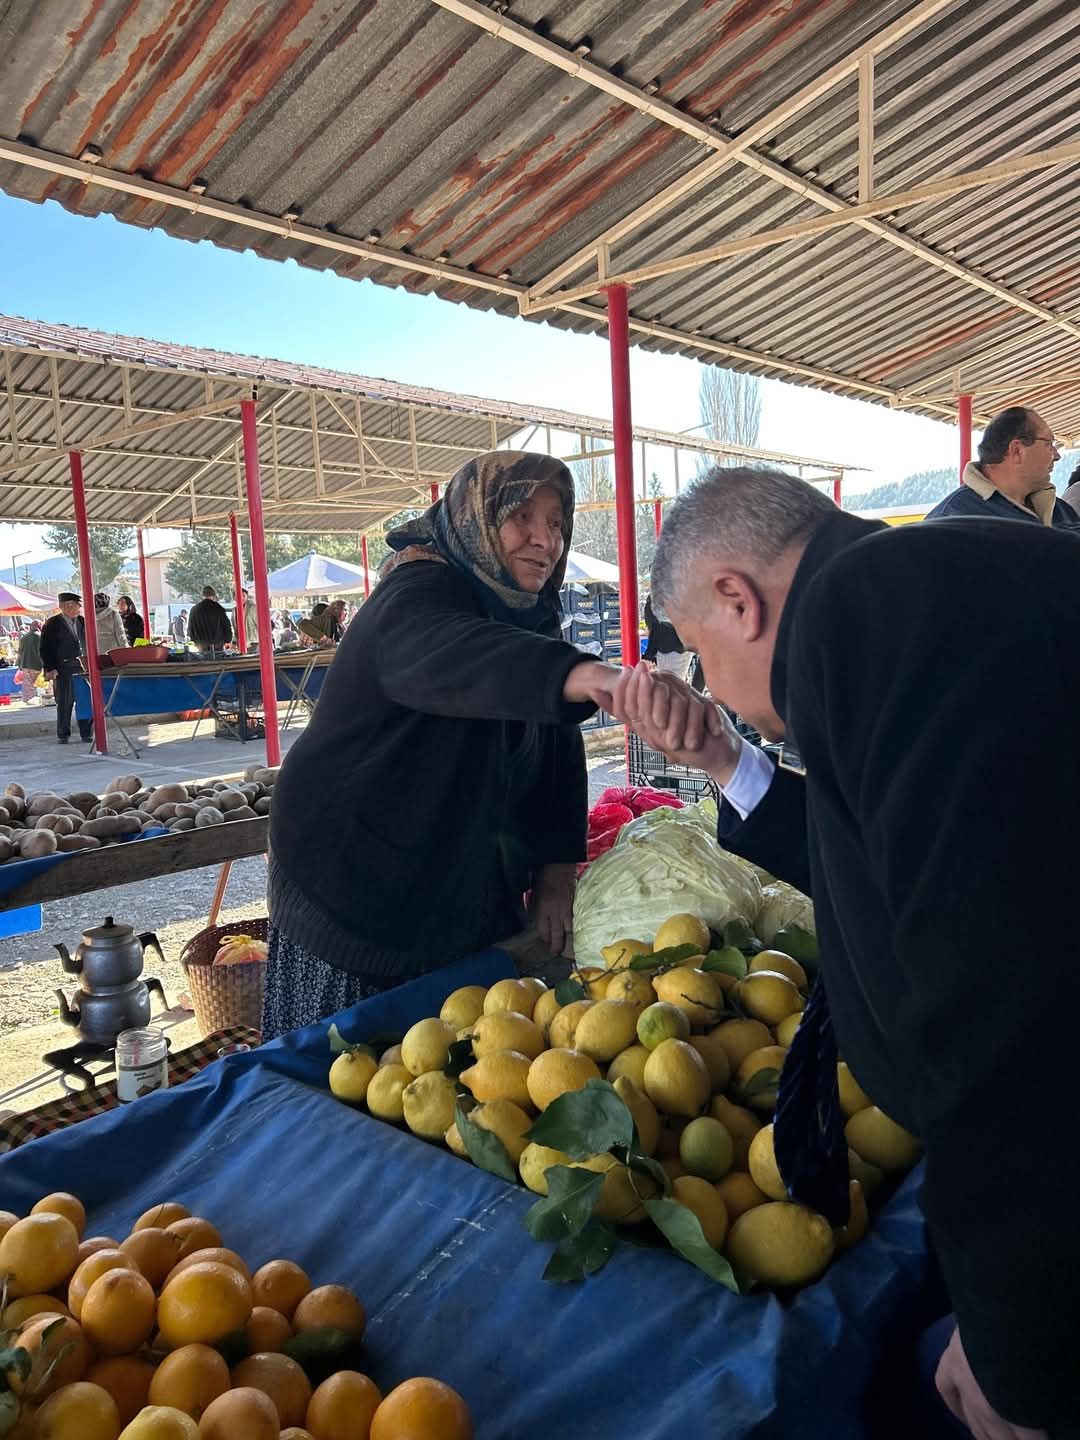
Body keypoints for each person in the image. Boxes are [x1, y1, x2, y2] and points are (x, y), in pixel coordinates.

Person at [607, 465, 1078, 1440]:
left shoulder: (863, 609)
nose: (712, 687)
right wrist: (720, 761)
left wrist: (1014, 1349)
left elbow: (998, 1009)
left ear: (737, 600)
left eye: (699, 650)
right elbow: (882, 854)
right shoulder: (929, 583)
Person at [265, 451, 617, 1038]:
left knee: (454, 1066)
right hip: (352, 876)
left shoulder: (528, 616)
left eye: (556, 523)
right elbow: (446, 650)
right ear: (478, 518)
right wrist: (583, 675)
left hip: (452, 867)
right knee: (351, 1077)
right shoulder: (418, 592)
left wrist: (557, 870)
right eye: (522, 517)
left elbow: (557, 743)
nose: (544, 540)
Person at [926, 406, 1077, 526]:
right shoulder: (953, 518)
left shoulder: (1062, 512)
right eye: (1049, 444)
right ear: (1017, 450)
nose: (1057, 455)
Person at [40, 593, 92, 744]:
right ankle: (63, 734)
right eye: (68, 605)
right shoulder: (52, 624)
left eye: (75, 605)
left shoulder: (83, 621)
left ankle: (86, 733)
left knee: (85, 701)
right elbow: (45, 648)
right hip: (63, 667)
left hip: (82, 667)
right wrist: (50, 668)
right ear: (61, 607)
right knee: (64, 702)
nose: (72, 608)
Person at [643, 592, 693, 680]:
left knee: (671, 684)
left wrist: (648, 656)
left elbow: (659, 626)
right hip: (681, 643)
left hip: (671, 647)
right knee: (676, 683)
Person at [186, 586, 232, 658]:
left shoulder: (194, 609)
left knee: (205, 663)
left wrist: (194, 641)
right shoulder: (219, 608)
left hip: (201, 644)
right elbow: (227, 626)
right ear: (213, 596)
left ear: (202, 596)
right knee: (218, 662)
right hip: (218, 643)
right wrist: (228, 640)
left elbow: (190, 628)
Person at [16, 621, 42, 703]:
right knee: (41, 682)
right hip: (37, 664)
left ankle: (28, 699)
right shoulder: (40, 636)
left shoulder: (24, 637)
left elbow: (20, 651)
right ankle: (39, 698)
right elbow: (43, 651)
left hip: (25, 664)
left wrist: (19, 664)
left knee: (27, 683)